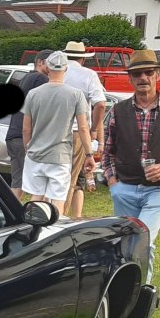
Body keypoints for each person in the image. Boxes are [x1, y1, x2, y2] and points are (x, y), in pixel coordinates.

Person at [103, 49, 160, 281]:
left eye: (148, 73)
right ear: (130, 79)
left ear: (158, 76)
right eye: (137, 74)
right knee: (125, 244)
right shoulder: (118, 110)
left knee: (144, 241)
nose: (143, 78)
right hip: (125, 188)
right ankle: (125, 291)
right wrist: (114, 183)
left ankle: (143, 293)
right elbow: (108, 151)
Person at [21, 50, 92, 207]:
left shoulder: (33, 94)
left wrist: (28, 148)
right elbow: (83, 128)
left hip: (36, 154)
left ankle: (33, 227)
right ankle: (54, 229)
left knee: (36, 197)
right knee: (57, 200)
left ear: (47, 67)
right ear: (65, 69)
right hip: (60, 156)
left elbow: (26, 129)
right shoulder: (76, 94)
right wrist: (89, 154)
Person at [60, 41, 107, 218]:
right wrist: (94, 129)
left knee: (53, 178)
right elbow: (100, 104)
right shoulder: (88, 75)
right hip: (76, 132)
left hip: (52, 131)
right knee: (70, 180)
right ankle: (59, 220)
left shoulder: (57, 73)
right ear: (83, 58)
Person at [6, 50, 51, 200]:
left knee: (18, 181)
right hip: (26, 136)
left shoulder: (26, 77)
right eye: (50, 63)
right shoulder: (41, 79)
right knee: (39, 183)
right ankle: (36, 217)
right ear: (40, 62)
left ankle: (10, 214)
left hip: (13, 135)